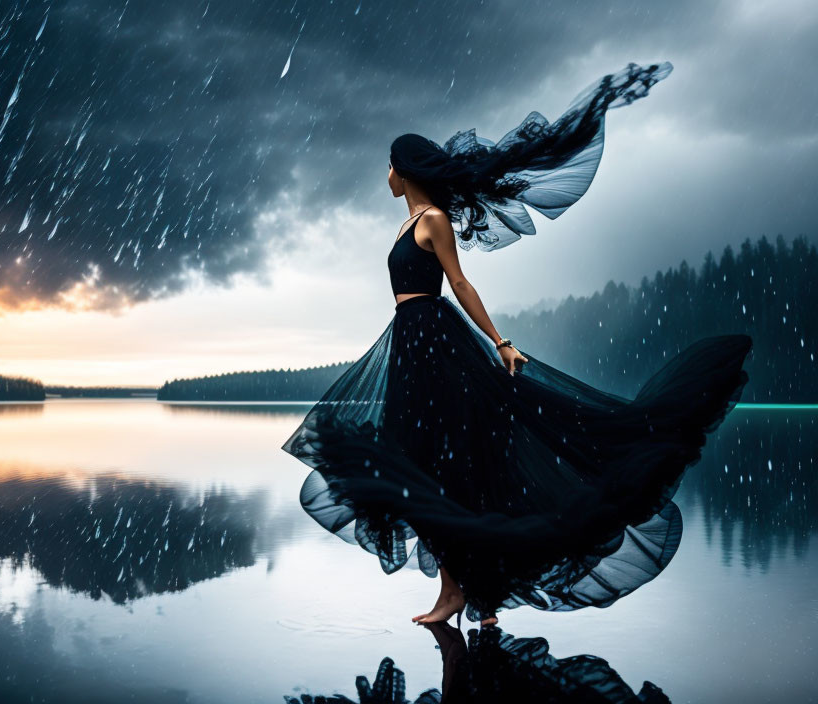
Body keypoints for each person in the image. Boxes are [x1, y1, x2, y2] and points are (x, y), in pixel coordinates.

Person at [281, 61, 752, 629]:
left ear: (404, 171)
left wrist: (501, 342)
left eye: (389, 165)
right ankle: (469, 591)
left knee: (449, 470)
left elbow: (460, 284)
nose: (385, 174)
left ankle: (466, 592)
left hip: (435, 345)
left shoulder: (432, 221)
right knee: (426, 469)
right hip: (410, 344)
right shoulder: (406, 227)